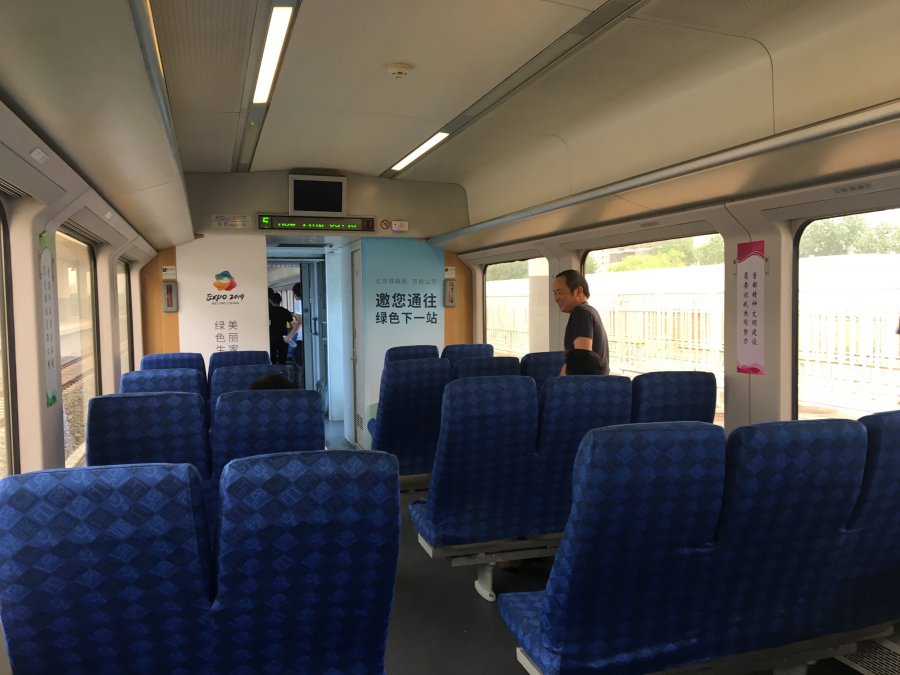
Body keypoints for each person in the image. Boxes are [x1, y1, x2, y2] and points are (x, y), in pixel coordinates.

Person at [553, 269, 609, 375]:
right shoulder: (590, 311)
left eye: (559, 293)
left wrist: (560, 380)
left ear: (578, 291)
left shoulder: (581, 313)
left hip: (585, 383)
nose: (556, 298)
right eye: (555, 293)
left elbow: (582, 361)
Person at [283, 282, 304, 383]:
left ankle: (299, 386)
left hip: (301, 339)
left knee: (297, 367)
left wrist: (289, 336)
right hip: (310, 339)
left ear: (296, 293)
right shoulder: (312, 300)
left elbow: (300, 322)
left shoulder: (299, 303)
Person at [268, 290, 293, 364]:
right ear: (281, 300)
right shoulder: (285, 311)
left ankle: (273, 370)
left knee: (272, 359)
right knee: (282, 359)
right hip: (283, 337)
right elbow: (292, 325)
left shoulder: (268, 312)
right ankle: (282, 370)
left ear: (270, 300)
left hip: (271, 338)